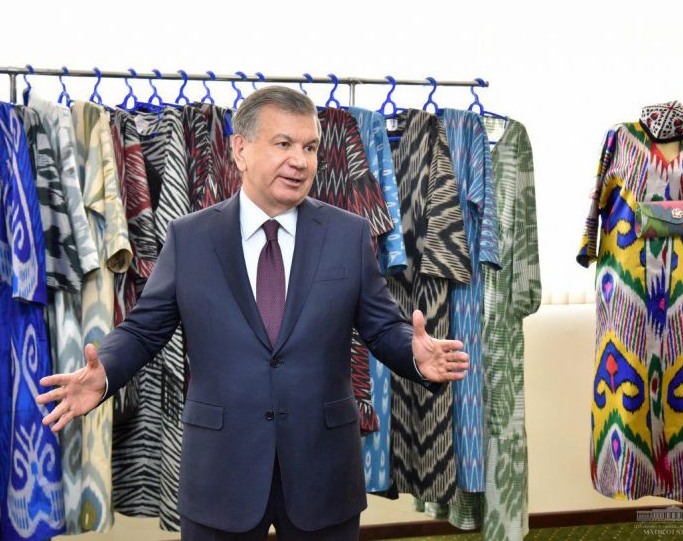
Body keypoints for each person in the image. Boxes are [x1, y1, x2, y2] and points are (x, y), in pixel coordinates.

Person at [36, 86, 470, 540]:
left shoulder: (348, 234)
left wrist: (414, 355)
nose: (300, 161)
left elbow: (383, 328)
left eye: (310, 147)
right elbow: (144, 330)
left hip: (323, 468)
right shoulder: (190, 238)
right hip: (221, 468)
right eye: (284, 144)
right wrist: (105, 373)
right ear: (240, 149)